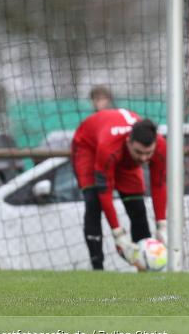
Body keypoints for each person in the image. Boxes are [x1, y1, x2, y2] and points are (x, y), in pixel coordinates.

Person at [71, 109, 167, 270]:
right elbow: (105, 193)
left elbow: (158, 185)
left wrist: (162, 225)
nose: (144, 158)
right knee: (94, 202)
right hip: (89, 146)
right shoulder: (108, 147)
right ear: (129, 141)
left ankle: (144, 269)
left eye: (148, 153)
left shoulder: (161, 147)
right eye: (139, 152)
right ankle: (98, 269)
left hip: (124, 158)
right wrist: (118, 235)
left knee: (137, 208)